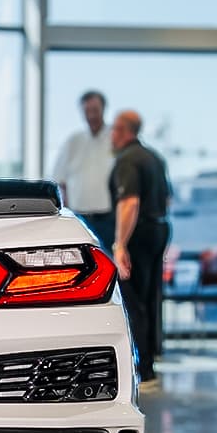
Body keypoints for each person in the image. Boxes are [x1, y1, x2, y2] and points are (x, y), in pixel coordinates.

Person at [108, 110, 172, 385]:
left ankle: (142, 367)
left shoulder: (128, 161)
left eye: (114, 129)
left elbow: (129, 203)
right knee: (150, 297)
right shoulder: (154, 157)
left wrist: (120, 244)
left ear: (123, 131)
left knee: (133, 301)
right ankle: (150, 362)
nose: (111, 135)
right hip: (159, 229)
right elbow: (167, 198)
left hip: (139, 233)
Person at [53, 90, 115, 248]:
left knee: (114, 265)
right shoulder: (73, 141)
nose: (91, 116)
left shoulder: (116, 139)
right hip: (80, 217)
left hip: (109, 218)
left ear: (104, 110)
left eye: (95, 110)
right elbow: (60, 180)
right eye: (87, 111)